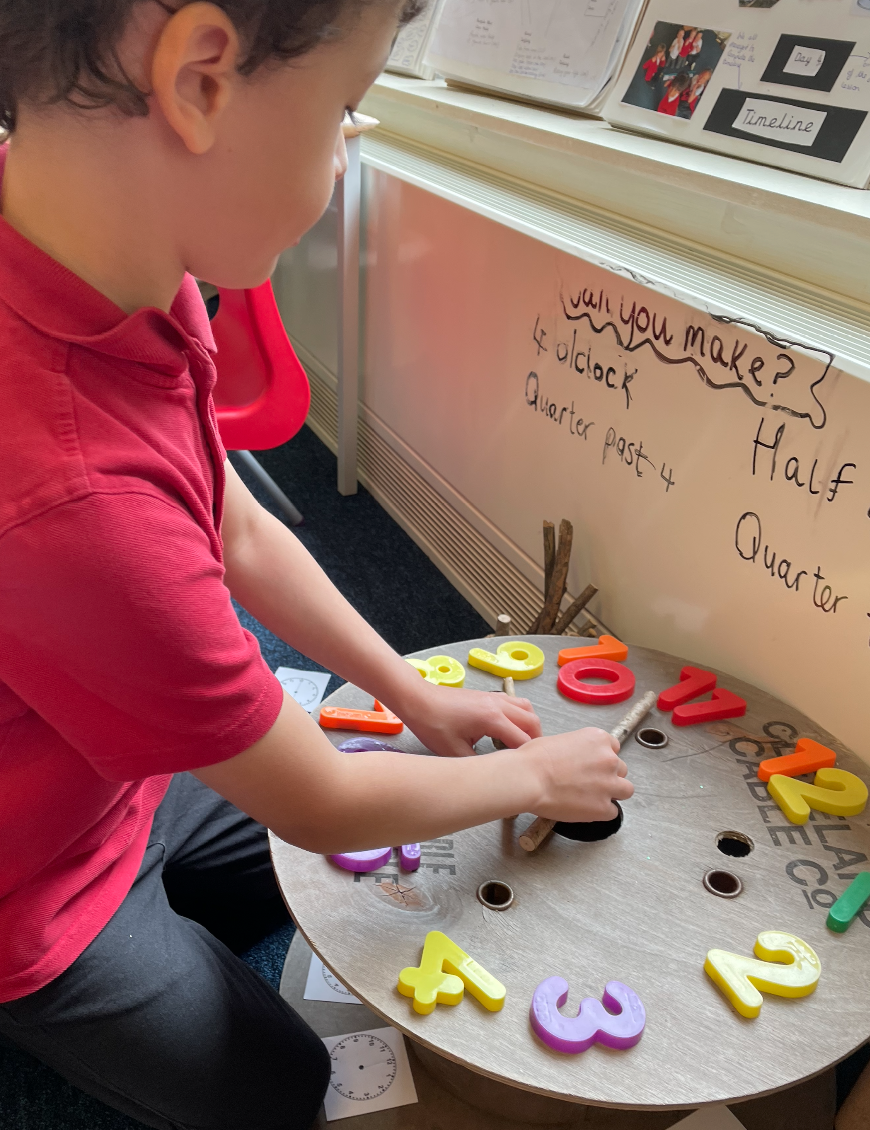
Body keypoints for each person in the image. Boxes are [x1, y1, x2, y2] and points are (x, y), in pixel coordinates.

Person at [0, 2, 635, 1128]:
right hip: (35, 880)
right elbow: (324, 803)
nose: (344, 154)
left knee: (385, 833)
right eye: (345, 106)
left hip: (126, 762)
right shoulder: (77, 499)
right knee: (285, 1086)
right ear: (201, 81)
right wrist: (540, 779)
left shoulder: (120, 262)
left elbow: (237, 528)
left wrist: (407, 690)